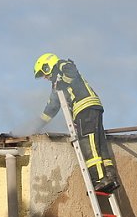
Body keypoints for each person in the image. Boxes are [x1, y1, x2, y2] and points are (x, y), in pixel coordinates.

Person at [33, 53, 120, 194]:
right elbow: (51, 108)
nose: (44, 77)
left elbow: (71, 71)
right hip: (92, 107)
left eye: (43, 73)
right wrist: (36, 126)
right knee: (99, 143)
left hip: (84, 108)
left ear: (47, 66)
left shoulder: (60, 66)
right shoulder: (57, 83)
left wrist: (62, 83)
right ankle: (110, 176)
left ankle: (99, 179)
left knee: (88, 143)